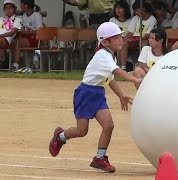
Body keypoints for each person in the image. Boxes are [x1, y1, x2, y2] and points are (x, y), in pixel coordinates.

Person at [48, 22, 142, 172]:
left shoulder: (110, 56)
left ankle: (99, 158)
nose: (120, 40)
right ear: (105, 42)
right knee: (81, 131)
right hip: (85, 93)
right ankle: (60, 136)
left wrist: (121, 94)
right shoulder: (103, 56)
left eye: (120, 36)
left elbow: (108, 79)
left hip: (98, 93)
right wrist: (134, 79)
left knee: (109, 125)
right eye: (116, 37)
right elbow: (117, 72)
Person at [119, 0, 157, 71]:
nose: (136, 13)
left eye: (137, 10)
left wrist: (136, 40)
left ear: (143, 9)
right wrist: (124, 40)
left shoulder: (152, 19)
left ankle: (141, 66)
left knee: (142, 44)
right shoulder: (135, 18)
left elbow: (147, 35)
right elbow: (130, 32)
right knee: (124, 44)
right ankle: (123, 68)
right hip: (134, 38)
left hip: (145, 39)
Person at [12, 0, 43, 71]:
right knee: (13, 42)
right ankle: (14, 62)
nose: (20, 6)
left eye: (21, 5)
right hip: (25, 37)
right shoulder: (24, 16)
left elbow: (40, 31)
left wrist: (27, 32)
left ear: (26, 6)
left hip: (35, 38)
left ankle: (16, 64)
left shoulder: (37, 15)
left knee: (19, 43)